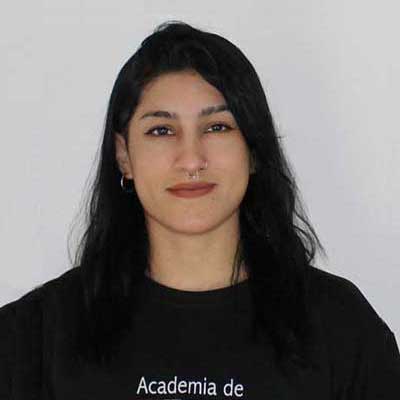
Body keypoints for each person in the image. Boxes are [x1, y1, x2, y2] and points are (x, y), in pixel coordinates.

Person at [0, 20, 399, 399]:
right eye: (161, 130)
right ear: (124, 155)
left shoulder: (341, 330)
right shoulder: (33, 340)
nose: (191, 159)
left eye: (217, 127)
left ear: (253, 149)